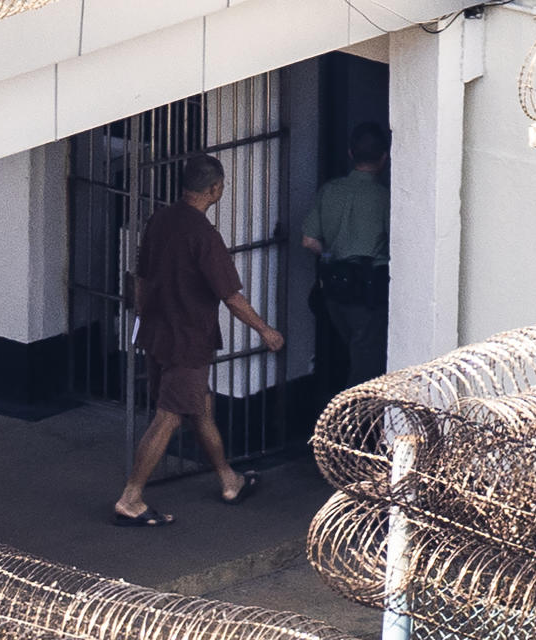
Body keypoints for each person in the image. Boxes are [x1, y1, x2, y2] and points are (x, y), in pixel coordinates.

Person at [113, 155, 285, 527]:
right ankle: (131, 497)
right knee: (170, 416)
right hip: (189, 339)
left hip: (157, 332)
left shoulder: (159, 220)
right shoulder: (205, 236)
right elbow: (231, 297)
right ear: (215, 189)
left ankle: (229, 480)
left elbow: (140, 278)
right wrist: (265, 331)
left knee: (200, 408)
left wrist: (145, 316)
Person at [302, 122, 390, 388]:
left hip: (333, 287)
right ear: (385, 156)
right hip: (368, 292)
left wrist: (331, 254)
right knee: (367, 366)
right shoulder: (385, 197)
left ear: (350, 154)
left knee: (340, 354)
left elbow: (308, 241)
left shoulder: (330, 191)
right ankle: (356, 424)